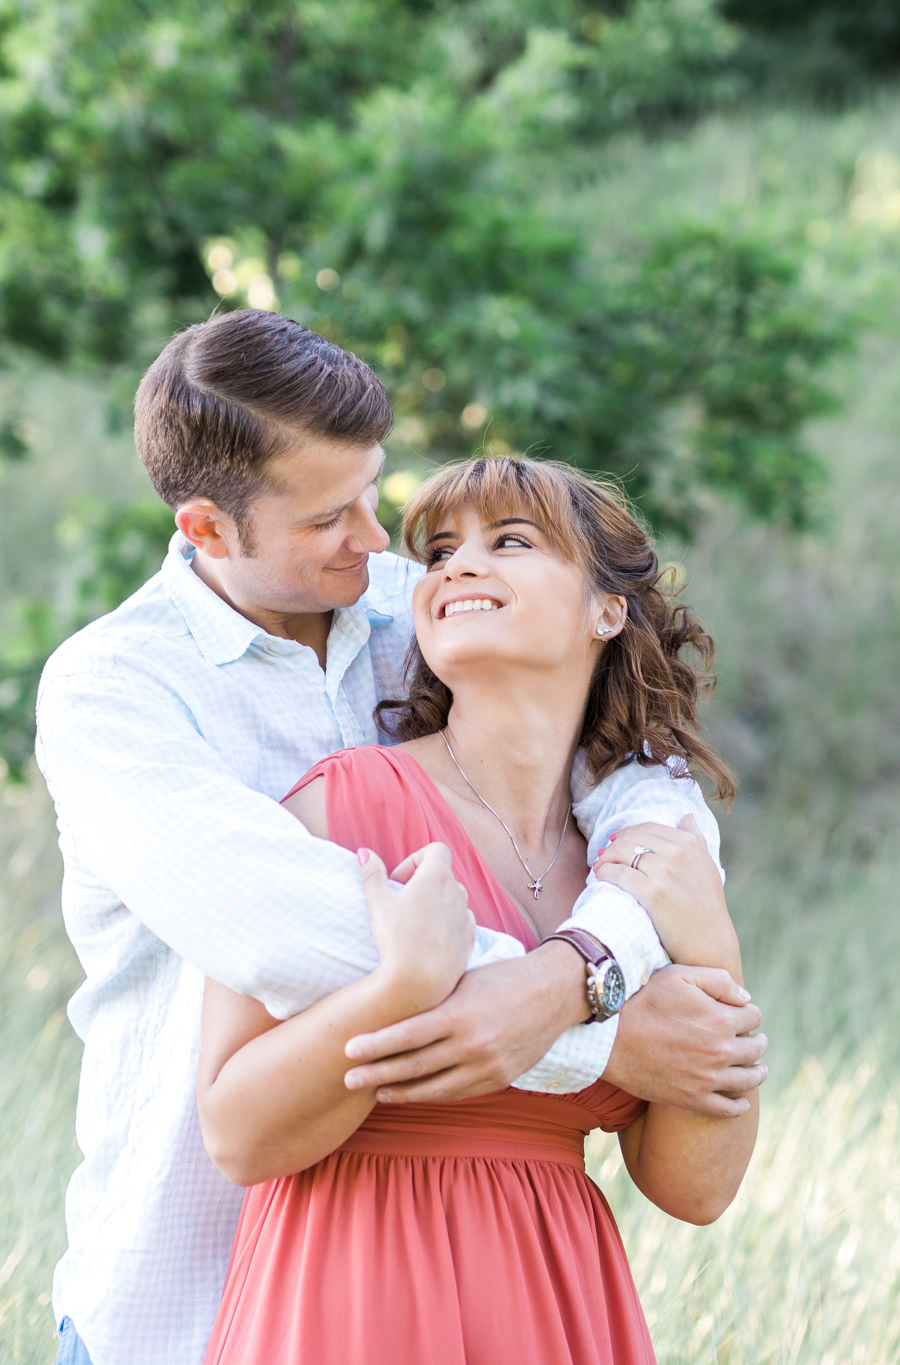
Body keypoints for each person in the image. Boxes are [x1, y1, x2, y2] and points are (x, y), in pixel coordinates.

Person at [34, 310, 770, 1365]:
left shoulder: (417, 612)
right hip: (185, 1291)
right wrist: (604, 1031)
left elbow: (653, 801)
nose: (379, 543)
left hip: (526, 1296)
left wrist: (592, 961)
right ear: (205, 530)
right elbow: (300, 933)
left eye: (375, 496)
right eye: (331, 516)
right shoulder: (119, 693)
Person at [197, 456, 754, 1364]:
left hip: (550, 1297)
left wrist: (715, 954)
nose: (456, 564)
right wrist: (404, 989)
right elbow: (237, 1133)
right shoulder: (344, 809)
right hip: (351, 1294)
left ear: (606, 609)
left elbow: (696, 1188)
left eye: (512, 541)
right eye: (443, 548)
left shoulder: (643, 864)